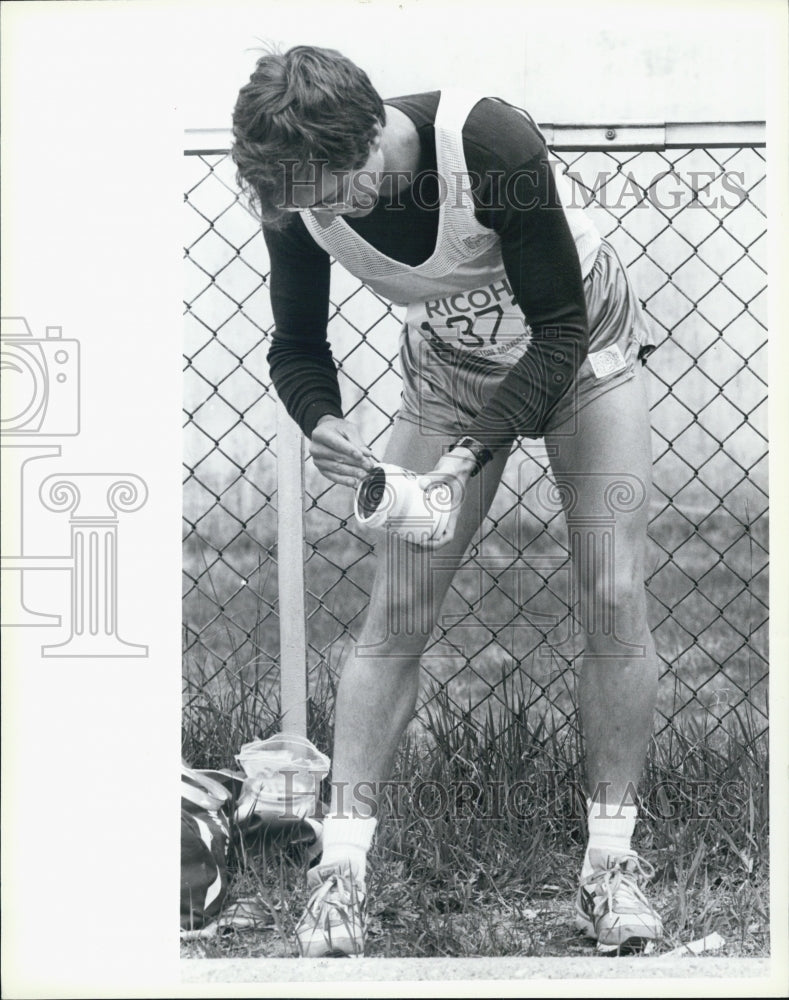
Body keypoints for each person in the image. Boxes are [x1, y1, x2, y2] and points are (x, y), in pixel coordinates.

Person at [232, 44, 663, 957]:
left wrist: (472, 452)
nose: (321, 212)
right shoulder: (299, 192)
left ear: (371, 133)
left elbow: (557, 334)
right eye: (303, 199)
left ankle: (611, 864)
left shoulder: (486, 143)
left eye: (332, 189)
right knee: (395, 613)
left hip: (583, 353)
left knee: (613, 596)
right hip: (449, 372)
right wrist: (322, 420)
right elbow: (296, 346)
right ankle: (338, 873)